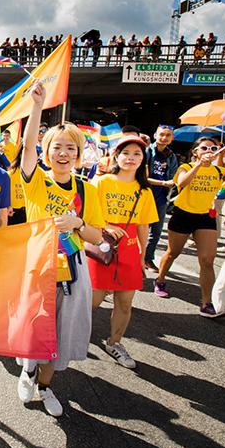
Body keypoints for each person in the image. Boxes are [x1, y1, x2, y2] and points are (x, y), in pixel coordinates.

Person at [17, 83, 105, 418]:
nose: (63, 153)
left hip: (73, 267)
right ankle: (27, 371)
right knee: (35, 324)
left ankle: (46, 386)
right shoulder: (36, 180)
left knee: (62, 330)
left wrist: (78, 224)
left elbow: (97, 237)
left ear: (79, 154)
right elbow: (26, 149)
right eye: (57, 147)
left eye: (70, 147)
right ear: (46, 151)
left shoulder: (87, 188)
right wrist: (37, 106)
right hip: (38, 264)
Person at [154, 137, 225, 317]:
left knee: (207, 260)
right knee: (172, 253)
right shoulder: (185, 167)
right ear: (195, 152)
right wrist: (199, 165)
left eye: (214, 147)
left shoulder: (219, 171)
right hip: (183, 215)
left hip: (205, 218)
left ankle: (207, 303)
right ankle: (160, 280)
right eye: (204, 147)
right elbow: (182, 183)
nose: (209, 150)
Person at [88, 136, 158, 369]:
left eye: (137, 154)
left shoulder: (145, 191)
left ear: (143, 160)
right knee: (92, 302)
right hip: (101, 245)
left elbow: (143, 226)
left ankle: (114, 342)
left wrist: (141, 257)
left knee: (125, 303)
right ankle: (72, 337)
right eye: (126, 152)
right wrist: (105, 225)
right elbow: (87, 213)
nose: (131, 157)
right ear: (116, 156)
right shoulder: (101, 182)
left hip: (128, 251)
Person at [144, 125, 178, 272]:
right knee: (140, 230)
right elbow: (142, 177)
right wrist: (164, 183)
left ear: (172, 138)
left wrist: (171, 183)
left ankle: (147, 259)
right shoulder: (146, 151)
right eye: (162, 134)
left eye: (168, 135)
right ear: (155, 135)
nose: (164, 137)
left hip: (162, 197)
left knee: (156, 232)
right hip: (144, 195)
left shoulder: (171, 156)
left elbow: (174, 176)